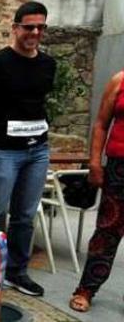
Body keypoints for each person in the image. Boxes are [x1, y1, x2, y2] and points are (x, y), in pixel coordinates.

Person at [0, 1, 56, 297]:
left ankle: (17, 272)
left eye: (40, 27)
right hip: (2, 151)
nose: (34, 32)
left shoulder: (48, 64)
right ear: (15, 27)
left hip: (37, 151)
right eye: (28, 26)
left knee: (24, 215)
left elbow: (38, 102)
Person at [69, 69, 124, 312]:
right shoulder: (120, 81)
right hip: (119, 168)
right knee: (107, 230)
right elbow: (101, 124)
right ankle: (87, 289)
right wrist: (94, 162)